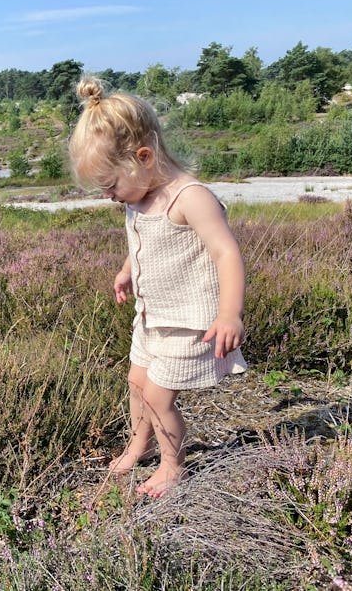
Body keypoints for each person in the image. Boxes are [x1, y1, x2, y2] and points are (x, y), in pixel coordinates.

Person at [68, 77, 247, 498]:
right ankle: (140, 442)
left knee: (158, 397)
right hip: (151, 316)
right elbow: (144, 239)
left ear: (143, 157)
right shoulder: (139, 196)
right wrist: (128, 268)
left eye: (110, 186)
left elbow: (226, 254)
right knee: (136, 383)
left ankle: (172, 465)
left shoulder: (190, 197)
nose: (109, 196)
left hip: (187, 321)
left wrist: (229, 313)